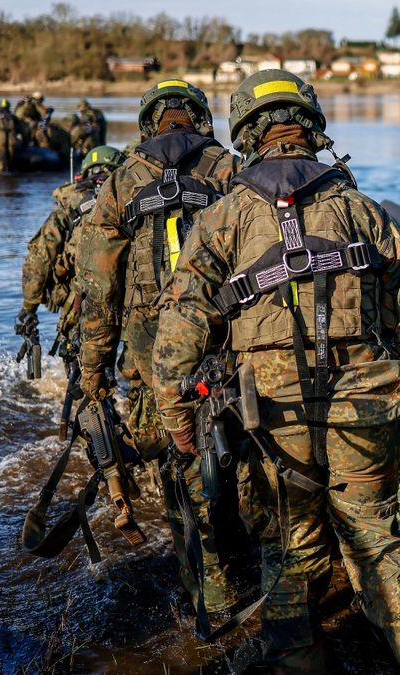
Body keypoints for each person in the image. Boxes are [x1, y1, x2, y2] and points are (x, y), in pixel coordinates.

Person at [151, 69, 400, 674]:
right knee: (377, 537)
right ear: (312, 127)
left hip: (273, 419)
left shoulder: (222, 219)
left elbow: (179, 329)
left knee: (290, 552)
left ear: (245, 134)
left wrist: (176, 415)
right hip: (364, 405)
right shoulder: (364, 211)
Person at [75, 79, 244, 614]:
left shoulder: (122, 180)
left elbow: (98, 291)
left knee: (179, 456)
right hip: (225, 336)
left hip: (152, 352)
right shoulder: (231, 168)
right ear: (200, 118)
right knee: (239, 446)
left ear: (149, 122)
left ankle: (207, 588)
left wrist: (93, 371)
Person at [20, 145, 126, 343]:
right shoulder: (130, 198)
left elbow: (40, 257)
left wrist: (28, 308)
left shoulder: (71, 202)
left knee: (76, 351)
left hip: (80, 300)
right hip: (128, 300)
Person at [0, 99, 21, 173]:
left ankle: (1, 172)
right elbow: (21, 129)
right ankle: (8, 171)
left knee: (2, 156)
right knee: (9, 155)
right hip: (9, 137)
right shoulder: (12, 117)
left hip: (2, 137)